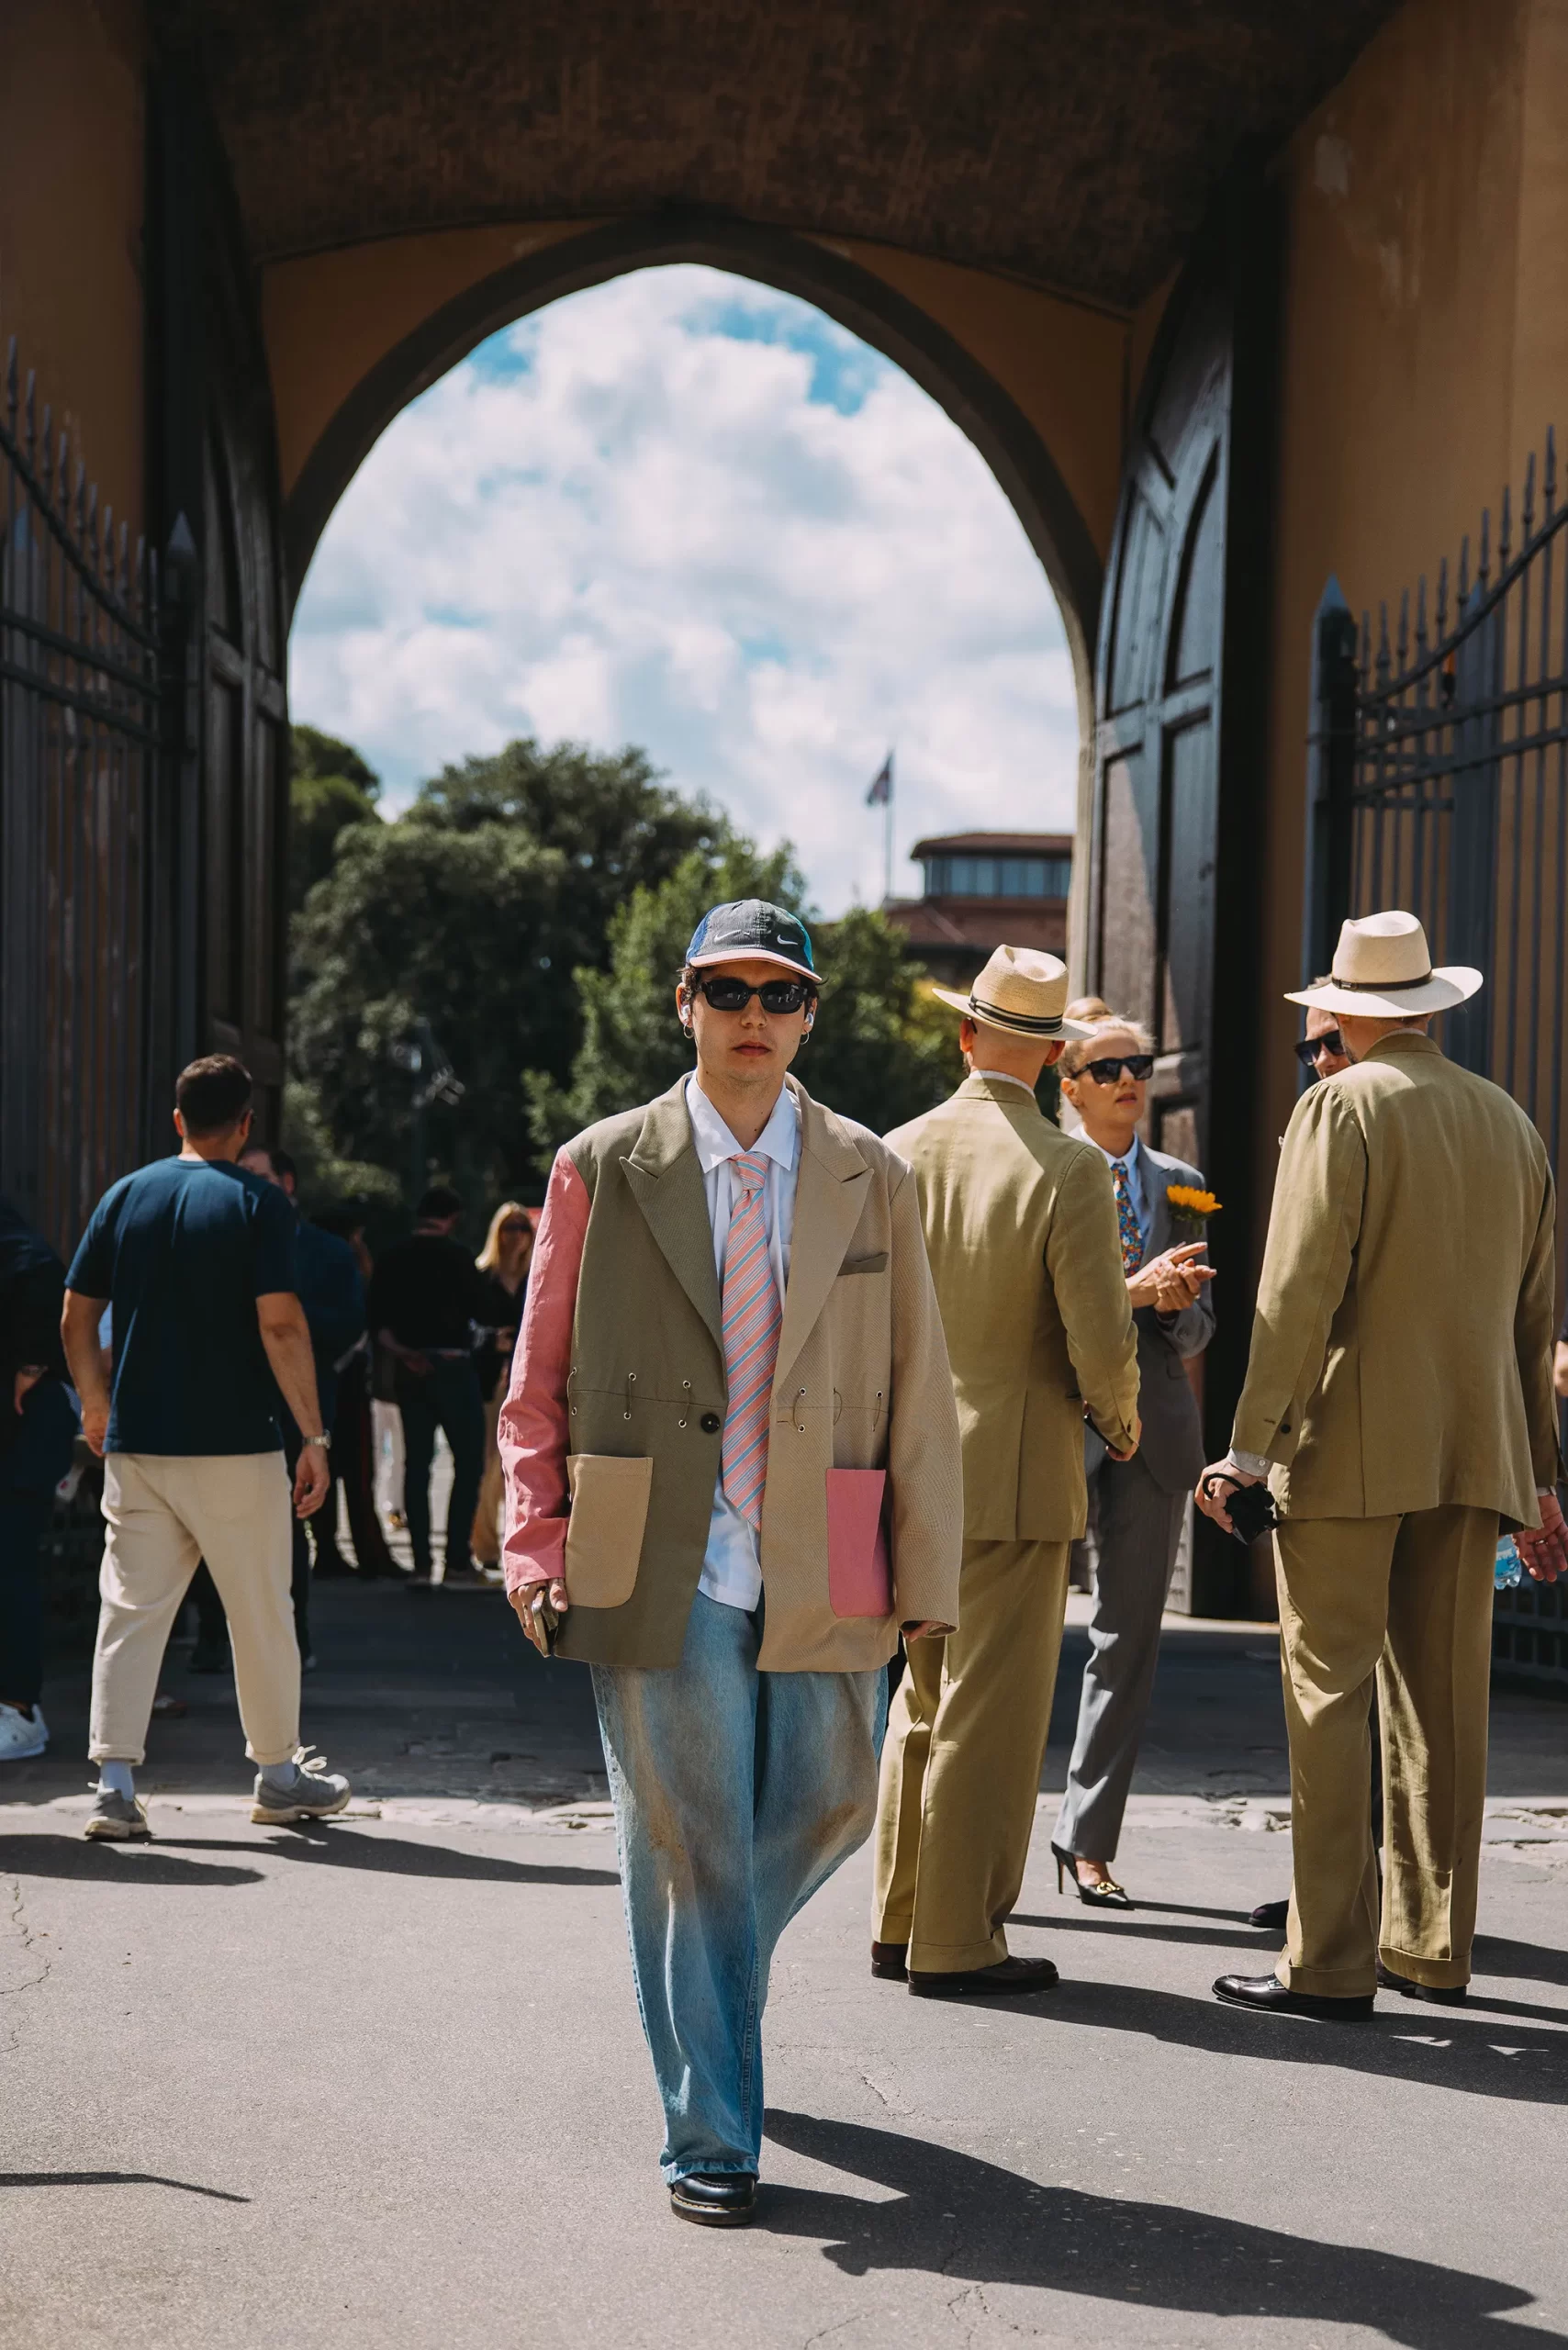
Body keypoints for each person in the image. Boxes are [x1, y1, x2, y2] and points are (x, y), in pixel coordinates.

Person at [499, 897, 961, 2227]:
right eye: (727, 991)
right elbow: (535, 1386)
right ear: (685, 1005)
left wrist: (929, 1571)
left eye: (779, 995)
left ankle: (717, 1983)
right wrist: (534, 1546)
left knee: (835, 1806)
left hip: (838, 1537)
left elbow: (920, 1385)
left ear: (811, 1014)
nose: (751, 1018)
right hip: (654, 1549)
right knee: (696, 1840)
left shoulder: (878, 1170)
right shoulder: (604, 1163)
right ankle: (714, 2135)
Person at [1198, 912, 1566, 2019]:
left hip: (1350, 1449)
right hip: (1476, 1453)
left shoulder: (1339, 1105)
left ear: (1350, 1014)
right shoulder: (1510, 1123)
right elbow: (1533, 1314)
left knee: (1327, 1694)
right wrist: (1541, 1477)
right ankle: (1431, 1948)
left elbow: (1295, 1290)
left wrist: (1246, 1451)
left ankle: (1325, 1963)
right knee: (1446, 1709)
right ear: (1427, 1009)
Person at [872, 946, 1140, 1998]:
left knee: (920, 1699)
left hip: (906, 1463)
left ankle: (900, 1918)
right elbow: (1098, 1334)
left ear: (965, 1034)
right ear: (1053, 1056)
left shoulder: (892, 1152)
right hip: (1018, 1469)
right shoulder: (1071, 1168)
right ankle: (955, 1937)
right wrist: (1117, 1422)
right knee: (990, 1708)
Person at [60, 1055, 352, 1841]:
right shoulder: (258, 1202)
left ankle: (114, 1786)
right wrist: (314, 1435)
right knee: (260, 1609)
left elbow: (76, 1316)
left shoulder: (126, 1196)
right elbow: (282, 1324)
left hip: (139, 1441)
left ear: (178, 1120)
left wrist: (94, 1399)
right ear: (247, 1124)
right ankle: (278, 1774)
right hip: (235, 1442)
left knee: (129, 1610)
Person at [1049, 1003, 1215, 1906]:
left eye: (1139, 1066)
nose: (1128, 1082)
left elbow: (1201, 1322)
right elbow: (1031, 1316)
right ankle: (984, 1827)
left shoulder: (1184, 1182)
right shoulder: (1043, 1173)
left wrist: (1173, 1304)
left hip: (1150, 1439)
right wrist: (1129, 1291)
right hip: (1054, 1427)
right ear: (1067, 1083)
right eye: (1107, 1068)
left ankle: (1086, 1840)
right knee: (1022, 1640)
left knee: (1127, 1643)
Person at [238, 1145, 366, 1661]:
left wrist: (282, 1318)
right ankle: (210, 1636)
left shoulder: (328, 1252)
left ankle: (295, 1638)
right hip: (232, 1402)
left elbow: (349, 1324)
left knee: (288, 1526)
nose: (247, 1183)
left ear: (286, 1183)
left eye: (258, 1174)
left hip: (301, 1406)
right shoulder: (224, 1239)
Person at [367, 1185, 488, 1585]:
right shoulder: (458, 1257)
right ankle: (456, 1559)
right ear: (451, 1218)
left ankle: (421, 1562)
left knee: (415, 1464)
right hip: (453, 1367)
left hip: (409, 1369)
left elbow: (377, 1323)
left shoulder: (391, 1258)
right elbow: (480, 1312)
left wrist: (405, 1354)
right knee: (468, 1463)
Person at [0, 1196, 79, 1762]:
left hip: (25, 1433)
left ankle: (20, 1709)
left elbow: (47, 1277)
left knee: (10, 1565)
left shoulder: (18, 1243)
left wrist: (30, 1365)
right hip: (23, 1432)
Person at [309, 1212, 398, 1581]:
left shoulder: (315, 1266)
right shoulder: (347, 1269)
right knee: (358, 1473)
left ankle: (330, 1549)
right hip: (346, 1380)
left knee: (325, 1469)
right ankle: (367, 1552)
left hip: (322, 1378)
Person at [471, 1203, 534, 1570]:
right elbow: (461, 1325)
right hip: (488, 1380)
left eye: (522, 1227)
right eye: (509, 1227)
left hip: (525, 1383)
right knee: (487, 1465)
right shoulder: (480, 1276)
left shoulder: (537, 1277)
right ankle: (486, 1546)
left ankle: (518, 1548)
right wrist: (491, 1340)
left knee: (520, 1469)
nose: (516, 1235)